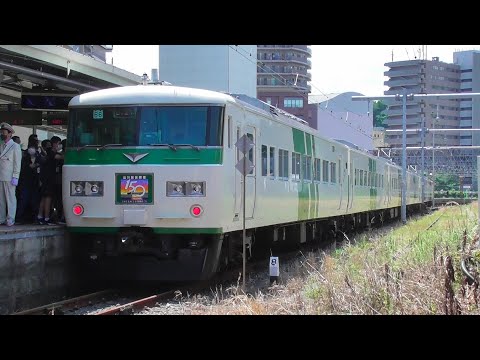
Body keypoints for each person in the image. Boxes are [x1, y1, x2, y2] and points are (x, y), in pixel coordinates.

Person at [0, 123, 22, 226]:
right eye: (2, 131)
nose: (2, 133)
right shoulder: (1, 145)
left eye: (4, 132)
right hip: (1, 176)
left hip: (9, 176)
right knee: (1, 199)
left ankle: (10, 218)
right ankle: (1, 218)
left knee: (10, 198)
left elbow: (17, 163)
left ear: (9, 134)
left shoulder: (15, 146)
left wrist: (15, 177)